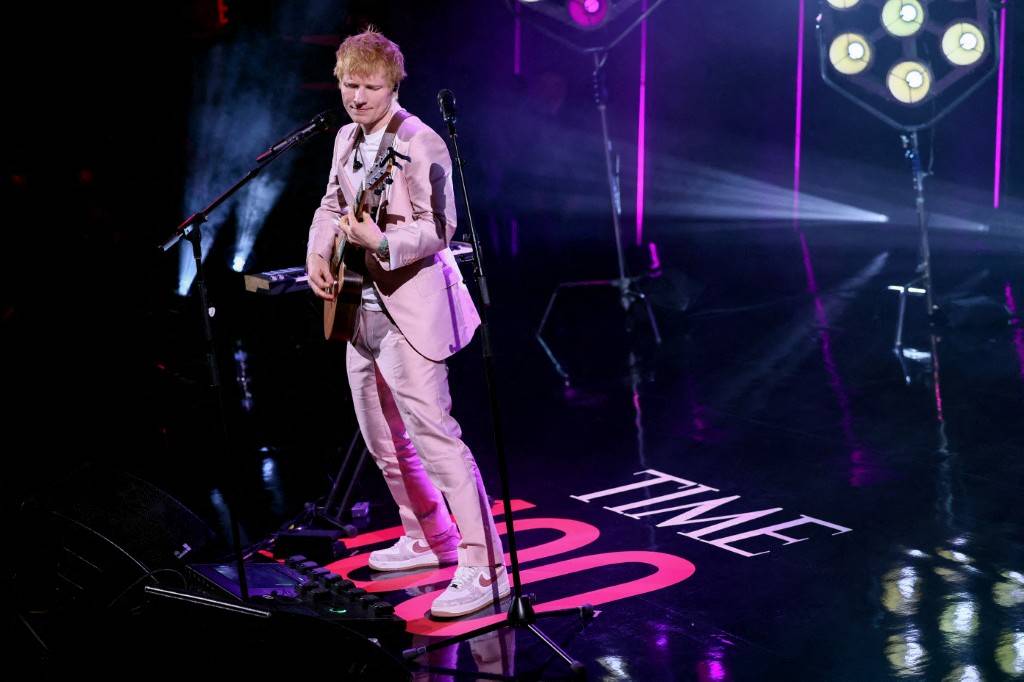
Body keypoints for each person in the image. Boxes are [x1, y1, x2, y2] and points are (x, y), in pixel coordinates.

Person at [305, 28, 508, 618]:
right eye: (349, 84)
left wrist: (382, 240)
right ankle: (428, 535)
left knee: (434, 436)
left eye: (370, 87)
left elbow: (440, 226)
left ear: (393, 84)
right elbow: (328, 206)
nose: (357, 98)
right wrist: (319, 253)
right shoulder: (345, 138)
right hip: (355, 307)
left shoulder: (421, 142)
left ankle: (484, 564)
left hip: (411, 312)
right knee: (382, 440)